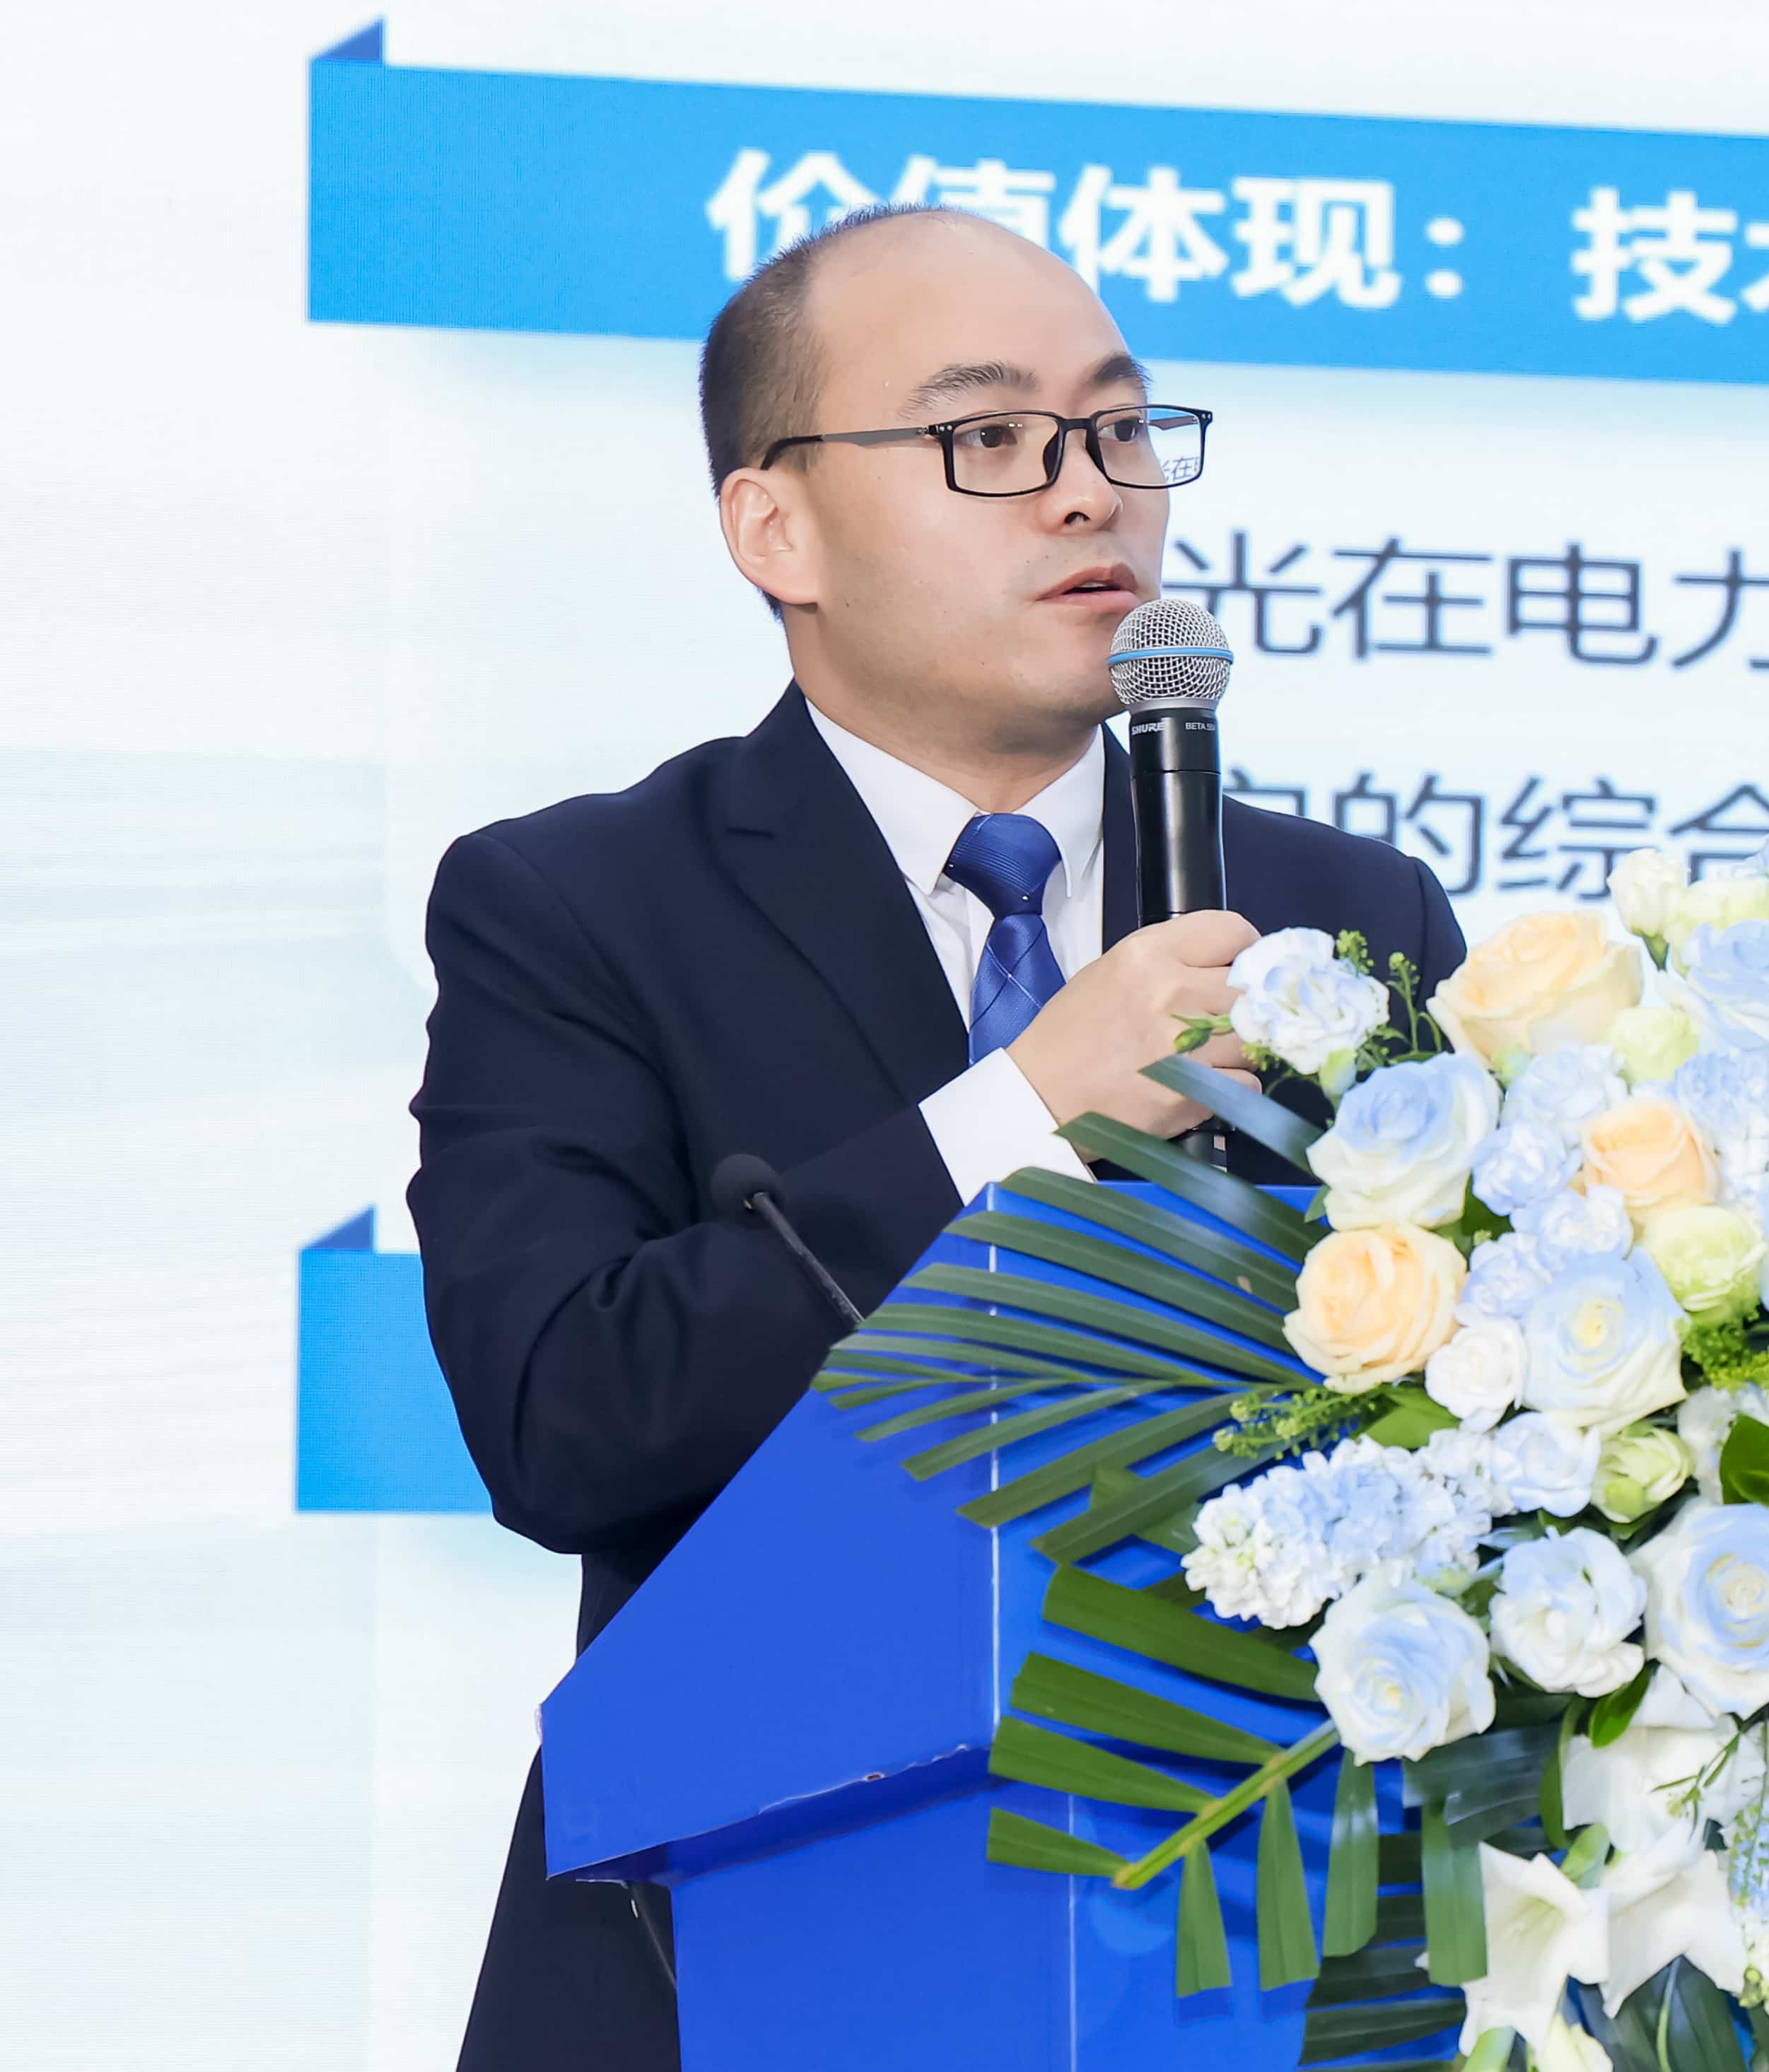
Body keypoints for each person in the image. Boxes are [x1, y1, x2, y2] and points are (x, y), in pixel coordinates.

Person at [408, 203, 1461, 2071]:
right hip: (742, 1954)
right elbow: (565, 1411)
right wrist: (1024, 1111)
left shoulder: (1347, 914)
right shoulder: (577, 906)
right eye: (990, 437)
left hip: (1278, 1956)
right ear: (776, 529)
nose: (1090, 492)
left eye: (1119, 429)